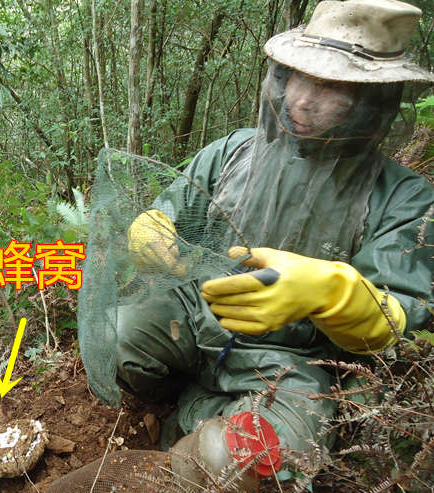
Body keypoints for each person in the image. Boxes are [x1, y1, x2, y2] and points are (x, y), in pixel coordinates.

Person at [114, 0, 434, 459]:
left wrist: (338, 295)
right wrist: (151, 229)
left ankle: (192, 441)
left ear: (372, 102)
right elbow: (170, 212)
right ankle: (175, 404)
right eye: (299, 77)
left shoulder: (405, 199)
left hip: (293, 363)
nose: (302, 99)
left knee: (250, 455)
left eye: (330, 86)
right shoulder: (234, 151)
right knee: (123, 331)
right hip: (199, 314)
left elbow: (401, 321)